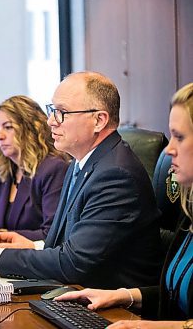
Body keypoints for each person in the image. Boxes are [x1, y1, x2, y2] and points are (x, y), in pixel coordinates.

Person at [0, 71, 162, 289]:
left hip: (118, 310)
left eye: (62, 112)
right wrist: (35, 246)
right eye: (52, 111)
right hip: (78, 292)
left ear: (99, 120)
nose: (50, 122)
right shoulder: (82, 162)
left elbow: (74, 262)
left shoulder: (115, 175)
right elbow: (70, 243)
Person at [55, 82, 193, 327]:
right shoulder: (188, 210)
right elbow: (174, 295)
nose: (169, 149)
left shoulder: (116, 172)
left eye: (179, 137)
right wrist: (123, 295)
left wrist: (151, 327)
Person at [0, 95, 68, 241]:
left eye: (8, 127)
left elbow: (52, 235)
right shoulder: (4, 172)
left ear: (32, 130)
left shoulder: (53, 169)